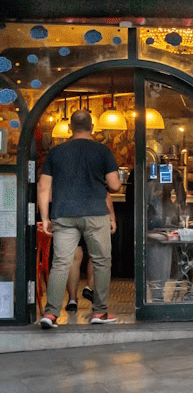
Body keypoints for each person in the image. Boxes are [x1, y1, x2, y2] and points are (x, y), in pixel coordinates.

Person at [38, 110, 120, 328]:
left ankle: (51, 314)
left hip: (64, 214)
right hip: (95, 214)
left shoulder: (56, 152)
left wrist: (45, 217)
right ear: (92, 127)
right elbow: (114, 185)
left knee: (60, 264)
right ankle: (100, 313)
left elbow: (44, 187)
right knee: (102, 262)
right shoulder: (102, 151)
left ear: (69, 128)